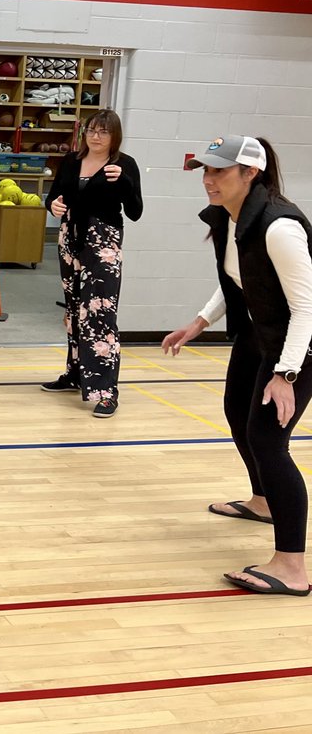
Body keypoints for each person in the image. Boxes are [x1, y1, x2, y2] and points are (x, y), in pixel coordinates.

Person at [163, 136, 311, 597]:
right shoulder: (231, 219)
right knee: (236, 415)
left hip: (298, 343)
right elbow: (240, 279)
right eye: (204, 171)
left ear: (251, 174)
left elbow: (306, 308)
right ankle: (262, 501)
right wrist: (200, 322)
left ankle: (292, 566)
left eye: (219, 172)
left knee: (269, 441)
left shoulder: (278, 227)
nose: (208, 180)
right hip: (260, 333)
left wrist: (286, 375)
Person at [41, 110, 143, 417]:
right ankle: (75, 374)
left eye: (103, 132)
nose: (95, 136)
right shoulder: (71, 161)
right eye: (91, 130)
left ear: (115, 137)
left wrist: (123, 182)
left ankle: (106, 391)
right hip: (70, 238)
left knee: (99, 313)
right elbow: (55, 196)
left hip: (104, 243)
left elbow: (135, 211)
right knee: (73, 311)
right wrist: (53, 204)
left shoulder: (124, 165)